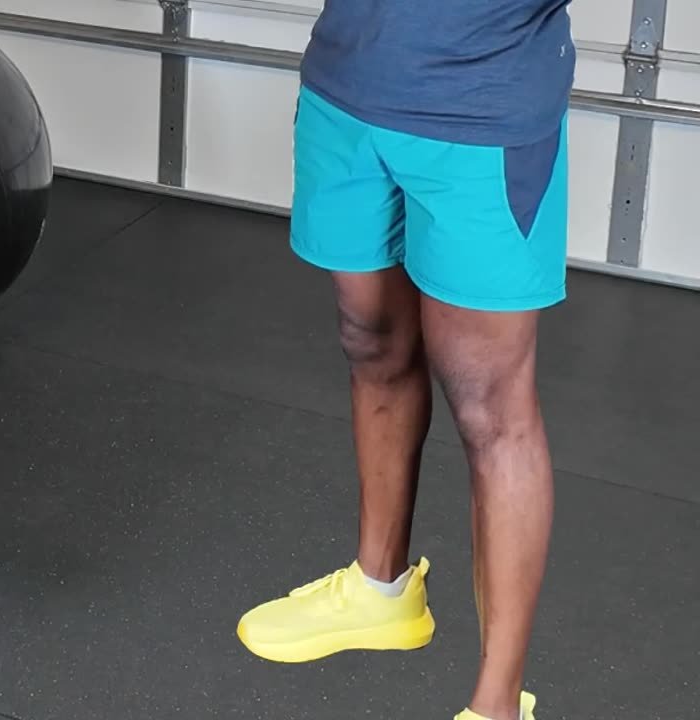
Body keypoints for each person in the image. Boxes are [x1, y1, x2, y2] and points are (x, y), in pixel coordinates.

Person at [235, 2, 574, 720]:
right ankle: (380, 590)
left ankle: (498, 706)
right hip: (349, 85)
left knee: (492, 408)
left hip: (480, 110)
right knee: (373, 341)